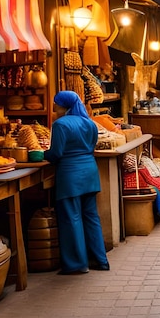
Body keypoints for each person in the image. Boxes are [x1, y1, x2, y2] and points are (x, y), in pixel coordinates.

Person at [44, 90, 109, 274]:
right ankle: (100, 260)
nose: (54, 107)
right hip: (89, 173)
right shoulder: (90, 124)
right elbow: (92, 147)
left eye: (56, 103)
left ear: (64, 105)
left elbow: (56, 154)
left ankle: (76, 264)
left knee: (71, 218)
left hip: (70, 176)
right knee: (91, 217)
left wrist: (42, 155)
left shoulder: (60, 125)